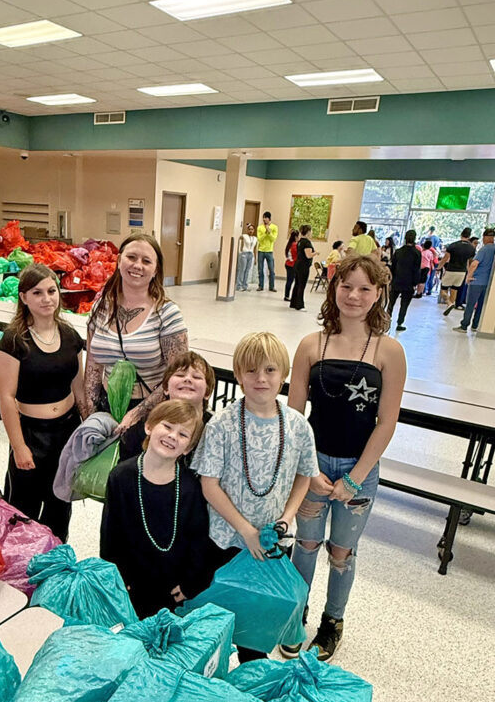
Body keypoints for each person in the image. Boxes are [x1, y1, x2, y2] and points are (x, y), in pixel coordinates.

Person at [282, 254, 405, 661]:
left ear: (378, 293)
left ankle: (332, 621)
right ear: (334, 288)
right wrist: (309, 468)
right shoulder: (310, 344)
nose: (354, 295)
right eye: (346, 286)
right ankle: (294, 615)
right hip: (313, 465)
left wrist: (355, 477)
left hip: (359, 470)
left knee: (341, 552)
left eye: (364, 288)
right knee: (306, 544)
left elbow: (386, 422)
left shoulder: (389, 351)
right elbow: (295, 416)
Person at [192, 331, 319, 661]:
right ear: (238, 374)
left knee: (256, 632)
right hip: (225, 540)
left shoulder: (298, 426)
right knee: (216, 625)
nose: (260, 378)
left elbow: (305, 474)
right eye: (251, 370)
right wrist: (246, 531)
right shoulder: (221, 424)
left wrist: (287, 517)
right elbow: (209, 484)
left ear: (284, 375)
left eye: (270, 370)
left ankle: (251, 676)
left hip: (272, 542)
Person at [100, 400, 213, 619]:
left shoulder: (190, 487)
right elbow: (110, 535)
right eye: (167, 426)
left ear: (188, 448)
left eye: (183, 434)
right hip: (129, 584)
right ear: (149, 427)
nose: (172, 436)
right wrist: (115, 579)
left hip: (173, 589)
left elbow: (199, 540)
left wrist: (191, 584)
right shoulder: (121, 477)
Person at [0, 264, 85, 541]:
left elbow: (79, 387)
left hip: (67, 431)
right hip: (32, 434)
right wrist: (19, 447)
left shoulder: (69, 335)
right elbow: (6, 397)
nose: (47, 299)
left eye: (51, 291)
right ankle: (21, 559)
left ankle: (56, 556)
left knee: (61, 505)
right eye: (37, 293)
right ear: (24, 298)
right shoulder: (14, 340)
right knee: (24, 507)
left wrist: (88, 429)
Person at [84, 234, 188, 460]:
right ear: (119, 260)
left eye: (146, 261)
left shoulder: (167, 314)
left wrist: (137, 413)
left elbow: (177, 377)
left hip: (150, 412)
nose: (137, 265)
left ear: (156, 269)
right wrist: (90, 414)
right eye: (131, 257)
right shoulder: (100, 307)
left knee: (133, 476)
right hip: (106, 407)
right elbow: (93, 366)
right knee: (104, 474)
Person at [124, 349, 216, 463]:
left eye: (196, 377)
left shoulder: (216, 429)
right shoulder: (148, 422)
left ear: (207, 392)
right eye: (180, 375)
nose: (187, 379)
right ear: (166, 388)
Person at [454, 227, 495, 333]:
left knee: (470, 304)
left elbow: (474, 264)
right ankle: (475, 325)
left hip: (476, 281)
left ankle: (464, 325)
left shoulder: (484, 249)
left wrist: (469, 276)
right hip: (488, 282)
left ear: (485, 237)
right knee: (481, 305)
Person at [388, 230, 421, 332]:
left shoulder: (398, 251)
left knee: (391, 302)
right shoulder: (417, 253)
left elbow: (393, 267)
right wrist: (415, 283)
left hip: (397, 280)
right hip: (409, 283)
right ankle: (400, 323)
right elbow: (416, 269)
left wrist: (391, 280)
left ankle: (387, 320)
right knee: (404, 304)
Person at [440, 227, 475, 316]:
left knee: (443, 290)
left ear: (461, 234)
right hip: (462, 272)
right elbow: (470, 262)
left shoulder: (453, 245)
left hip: (451, 270)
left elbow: (445, 258)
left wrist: (438, 267)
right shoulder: (471, 248)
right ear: (469, 236)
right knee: (454, 290)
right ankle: (450, 306)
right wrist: (469, 274)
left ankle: (449, 303)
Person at [289, 224, 316, 311]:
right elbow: (308, 255)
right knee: (301, 285)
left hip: (298, 265)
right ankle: (300, 305)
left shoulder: (300, 241)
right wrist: (315, 253)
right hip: (303, 266)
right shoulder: (307, 243)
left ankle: (293, 303)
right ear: (308, 232)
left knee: (297, 284)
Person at [256, 211, 278, 291]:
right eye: (263, 218)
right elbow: (259, 239)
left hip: (269, 251)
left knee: (271, 270)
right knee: (260, 269)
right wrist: (265, 232)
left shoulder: (274, 227)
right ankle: (260, 286)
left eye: (266, 218)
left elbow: (273, 239)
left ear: (269, 218)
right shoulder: (260, 227)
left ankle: (271, 286)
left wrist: (269, 232)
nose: (264, 219)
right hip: (261, 250)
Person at [236, 223, 257, 292]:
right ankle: (239, 285)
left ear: (254, 230)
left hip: (251, 254)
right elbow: (238, 239)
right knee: (242, 270)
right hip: (244, 253)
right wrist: (239, 250)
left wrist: (255, 258)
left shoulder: (255, 238)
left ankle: (245, 285)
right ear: (247, 230)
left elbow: (255, 249)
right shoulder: (244, 236)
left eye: (252, 229)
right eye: (249, 229)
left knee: (247, 270)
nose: (251, 231)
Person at [283, 229, 298, 301]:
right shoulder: (295, 245)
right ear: (296, 237)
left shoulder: (289, 244)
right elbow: (296, 255)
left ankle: (286, 295)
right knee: (290, 281)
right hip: (292, 265)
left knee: (289, 281)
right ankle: (287, 296)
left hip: (288, 264)